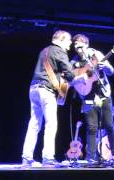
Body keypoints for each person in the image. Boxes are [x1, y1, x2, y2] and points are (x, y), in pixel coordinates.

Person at [21, 30, 87, 166]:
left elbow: (57, 74)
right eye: (69, 41)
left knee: (34, 124)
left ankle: (26, 157)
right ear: (61, 40)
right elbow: (69, 74)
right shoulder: (60, 51)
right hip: (46, 90)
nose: (70, 44)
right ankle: (48, 157)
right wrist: (81, 78)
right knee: (51, 124)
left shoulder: (44, 51)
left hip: (33, 88)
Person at [70, 34, 114, 167]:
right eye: (75, 45)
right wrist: (81, 78)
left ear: (86, 44)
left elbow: (111, 71)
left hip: (103, 94)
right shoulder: (73, 62)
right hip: (87, 96)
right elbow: (69, 81)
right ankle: (90, 158)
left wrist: (106, 67)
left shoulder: (96, 54)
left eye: (80, 44)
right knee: (91, 127)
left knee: (109, 126)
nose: (77, 47)